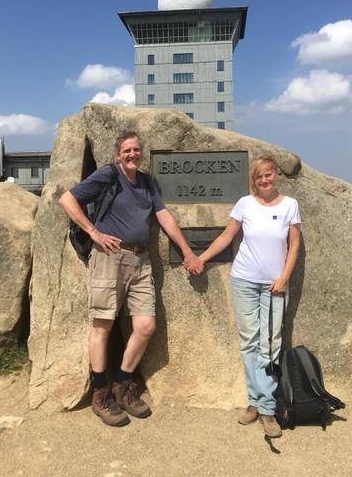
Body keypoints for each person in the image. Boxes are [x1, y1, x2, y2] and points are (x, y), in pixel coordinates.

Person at [59, 131, 203, 427]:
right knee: (102, 325)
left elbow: (163, 216)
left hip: (140, 260)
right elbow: (67, 199)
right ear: (118, 154)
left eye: (136, 150)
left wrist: (187, 252)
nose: (133, 154)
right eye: (127, 150)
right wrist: (94, 232)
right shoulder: (108, 175)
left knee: (146, 326)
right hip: (109, 257)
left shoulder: (148, 182)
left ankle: (122, 384)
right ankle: (100, 394)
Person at [194, 155, 300, 438]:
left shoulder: (290, 205)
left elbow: (294, 245)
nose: (264, 180)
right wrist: (201, 258)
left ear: (275, 175)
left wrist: (284, 277)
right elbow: (227, 236)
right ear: (253, 180)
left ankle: (267, 407)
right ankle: (256, 401)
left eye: (268, 174)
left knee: (271, 343)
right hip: (244, 281)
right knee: (249, 342)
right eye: (259, 176)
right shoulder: (245, 203)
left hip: (275, 285)